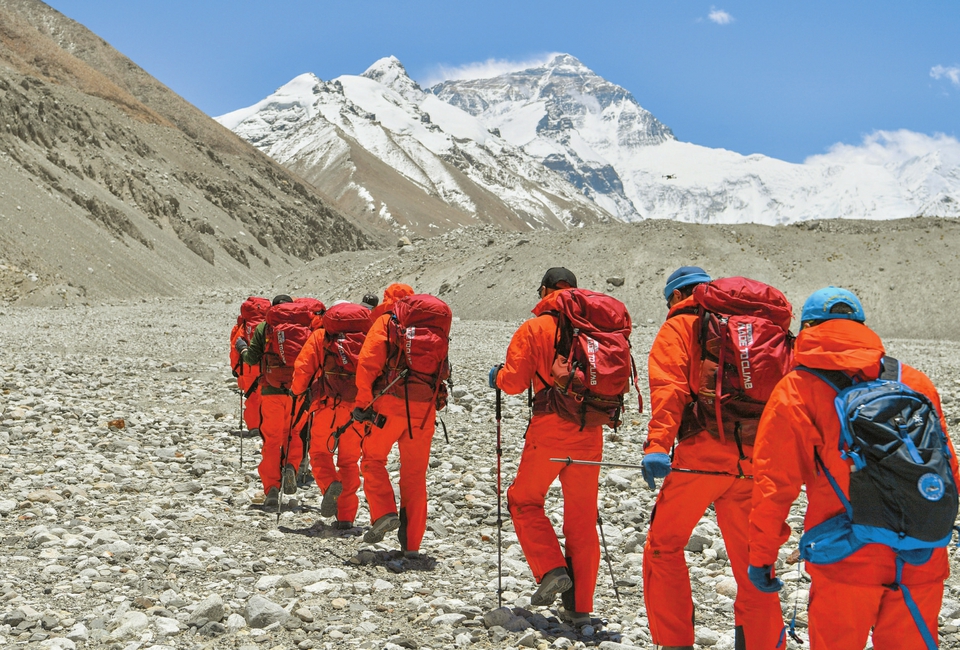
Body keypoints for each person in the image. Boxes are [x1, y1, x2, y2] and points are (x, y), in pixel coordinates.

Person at [748, 287, 959, 650]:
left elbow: (774, 486)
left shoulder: (796, 390)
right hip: (922, 553)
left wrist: (762, 557)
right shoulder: (914, 381)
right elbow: (949, 469)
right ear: (862, 327)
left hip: (845, 557)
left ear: (808, 329)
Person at [641, 266, 783, 650]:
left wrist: (657, 445)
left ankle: (675, 643)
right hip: (756, 457)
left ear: (675, 296)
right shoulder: (758, 327)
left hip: (700, 456)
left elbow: (669, 389)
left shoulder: (682, 324)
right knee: (755, 561)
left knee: (664, 546)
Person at [489, 267, 601, 628]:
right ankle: (580, 608)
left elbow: (514, 383)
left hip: (551, 426)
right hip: (590, 430)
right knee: (582, 521)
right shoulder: (594, 330)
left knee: (524, 499)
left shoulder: (535, 328)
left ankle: (552, 568)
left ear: (544, 291)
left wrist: (497, 376)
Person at [355, 283, 444, 556]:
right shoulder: (435, 327)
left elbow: (368, 362)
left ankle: (383, 512)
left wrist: (362, 403)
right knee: (415, 478)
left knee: (372, 460)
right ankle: (413, 547)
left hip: (388, 407)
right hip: (423, 410)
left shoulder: (386, 321)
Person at [291, 301, 372, 529]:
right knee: (349, 461)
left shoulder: (322, 335)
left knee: (319, 453)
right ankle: (346, 516)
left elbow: (304, 367)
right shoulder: (368, 336)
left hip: (328, 405)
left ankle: (329, 486)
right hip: (358, 409)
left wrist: (297, 392)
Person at [235, 295, 306, 508]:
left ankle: (272, 489)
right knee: (293, 433)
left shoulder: (264, 328)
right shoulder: (305, 327)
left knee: (272, 440)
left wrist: (242, 349)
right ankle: (291, 467)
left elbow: (252, 359)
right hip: (298, 392)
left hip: (271, 391)